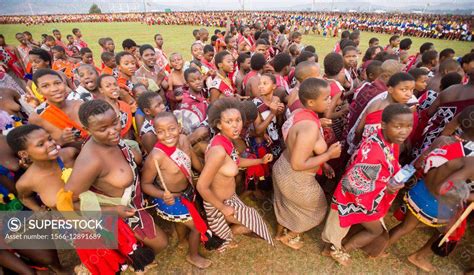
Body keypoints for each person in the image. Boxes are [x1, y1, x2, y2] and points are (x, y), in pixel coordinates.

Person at [58, 99, 168, 254]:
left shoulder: (112, 139)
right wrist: (113, 210)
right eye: (103, 128)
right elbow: (68, 203)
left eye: (115, 122)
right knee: (161, 243)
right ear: (87, 130)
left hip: (135, 202)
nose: (114, 130)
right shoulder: (90, 161)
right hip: (117, 213)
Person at [322, 104, 413, 266]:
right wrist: (387, 187)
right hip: (355, 199)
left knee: (348, 227)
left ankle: (337, 248)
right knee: (375, 230)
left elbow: (388, 165)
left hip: (363, 197)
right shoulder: (374, 151)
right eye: (398, 126)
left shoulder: (387, 140)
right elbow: (354, 183)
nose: (404, 131)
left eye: (408, 126)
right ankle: (341, 250)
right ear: (383, 125)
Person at [387, 106, 474, 272]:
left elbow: (423, 163)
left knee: (405, 227)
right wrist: (469, 196)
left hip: (419, 190)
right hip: (437, 202)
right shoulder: (471, 157)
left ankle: (378, 249)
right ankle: (419, 256)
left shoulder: (445, 141)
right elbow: (446, 188)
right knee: (454, 231)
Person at [196, 97, 274, 251]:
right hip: (218, 204)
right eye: (229, 121)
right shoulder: (217, 151)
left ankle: (224, 236)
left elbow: (235, 161)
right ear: (218, 124)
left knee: (254, 223)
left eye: (238, 120)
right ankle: (222, 238)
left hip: (230, 198)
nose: (235, 125)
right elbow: (201, 186)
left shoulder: (225, 140)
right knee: (252, 224)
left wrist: (260, 161)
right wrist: (223, 208)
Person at [273, 78, 341, 249]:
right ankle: (288, 236)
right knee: (318, 209)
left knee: (284, 203)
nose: (330, 101)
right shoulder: (309, 127)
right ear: (311, 102)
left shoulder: (299, 113)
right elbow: (298, 164)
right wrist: (328, 155)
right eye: (326, 98)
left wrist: (323, 164)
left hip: (283, 167)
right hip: (295, 176)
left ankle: (279, 232)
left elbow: (302, 145)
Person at [141, 112, 212, 269]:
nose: (167, 135)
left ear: (179, 128)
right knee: (196, 227)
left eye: (171, 129)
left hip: (187, 191)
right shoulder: (156, 156)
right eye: (160, 131)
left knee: (181, 221)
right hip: (170, 199)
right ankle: (192, 255)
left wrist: (205, 172)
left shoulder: (184, 140)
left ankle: (181, 241)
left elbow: (193, 160)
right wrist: (163, 195)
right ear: (155, 132)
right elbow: (145, 184)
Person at [349, 73, 416, 154]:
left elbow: (358, 130)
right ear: (390, 89)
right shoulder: (393, 113)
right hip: (377, 154)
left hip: (363, 149)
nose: (409, 94)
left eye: (412, 90)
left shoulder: (376, 102)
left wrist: (359, 146)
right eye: (404, 90)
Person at [28, 69, 87, 147]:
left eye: (57, 83)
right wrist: (61, 141)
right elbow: (40, 148)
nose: (54, 89)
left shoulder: (80, 104)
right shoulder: (38, 116)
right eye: (45, 86)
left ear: (64, 84)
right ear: (39, 91)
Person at [97, 74, 134, 140]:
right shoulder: (100, 110)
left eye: (115, 85)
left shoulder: (125, 106)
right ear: (101, 90)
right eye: (108, 86)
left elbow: (128, 131)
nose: (114, 88)